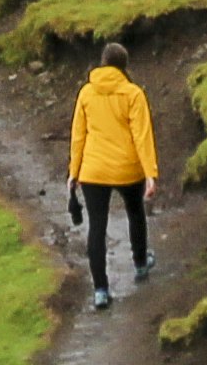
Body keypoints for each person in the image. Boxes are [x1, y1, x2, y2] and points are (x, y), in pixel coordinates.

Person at [66, 36, 158, 310]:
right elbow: (142, 136)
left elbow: (78, 136)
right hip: (128, 168)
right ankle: (140, 263)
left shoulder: (86, 93)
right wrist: (150, 173)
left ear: (103, 63)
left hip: (93, 170)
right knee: (135, 211)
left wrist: (74, 172)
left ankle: (101, 290)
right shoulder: (132, 94)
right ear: (123, 66)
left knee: (97, 226)